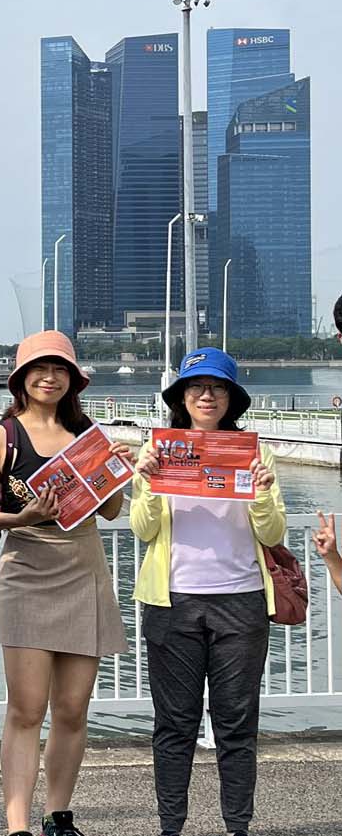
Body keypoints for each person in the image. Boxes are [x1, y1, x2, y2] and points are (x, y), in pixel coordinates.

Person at [0, 331, 130, 836]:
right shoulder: (2, 437)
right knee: (26, 707)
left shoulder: (89, 436)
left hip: (84, 572)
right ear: (21, 378)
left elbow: (110, 511)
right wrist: (19, 519)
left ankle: (58, 816)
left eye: (60, 370)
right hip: (26, 574)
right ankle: (17, 824)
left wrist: (114, 471)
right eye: (39, 369)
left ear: (73, 379)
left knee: (73, 708)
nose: (50, 378)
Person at [131, 347, 283, 836]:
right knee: (174, 725)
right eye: (196, 387)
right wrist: (149, 482)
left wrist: (260, 491)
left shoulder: (255, 453)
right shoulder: (158, 452)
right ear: (181, 397)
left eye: (218, 388)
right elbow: (143, 529)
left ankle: (238, 826)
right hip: (171, 601)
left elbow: (273, 534)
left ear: (231, 398)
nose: (206, 396)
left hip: (241, 602)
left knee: (237, 725)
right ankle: (170, 826)